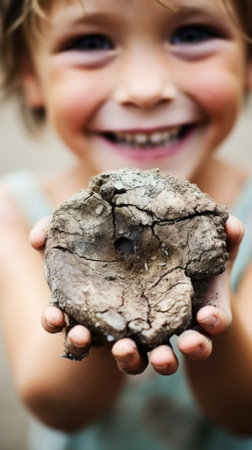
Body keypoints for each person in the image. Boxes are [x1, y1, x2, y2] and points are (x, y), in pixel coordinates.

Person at [0, 0, 252, 449]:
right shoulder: (12, 212)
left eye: (191, 35)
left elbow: (244, 412)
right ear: (30, 77)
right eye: (90, 42)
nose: (145, 88)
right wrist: (100, 317)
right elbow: (58, 406)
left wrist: (210, 306)